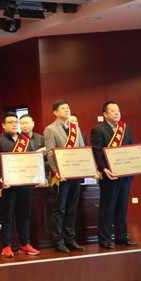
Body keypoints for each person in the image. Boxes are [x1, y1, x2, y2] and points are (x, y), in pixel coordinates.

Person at [90, 101, 141, 249]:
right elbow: (97, 152)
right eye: (113, 111)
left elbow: (132, 148)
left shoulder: (125, 128)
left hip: (125, 174)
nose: (117, 113)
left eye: (118, 110)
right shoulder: (98, 130)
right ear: (105, 114)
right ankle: (104, 239)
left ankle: (122, 238)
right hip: (110, 175)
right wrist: (104, 169)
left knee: (122, 208)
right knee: (107, 208)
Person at [0, 113, 44, 258]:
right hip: (7, 187)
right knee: (6, 217)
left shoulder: (24, 140)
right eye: (10, 122)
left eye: (16, 122)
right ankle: (6, 246)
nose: (14, 124)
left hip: (24, 185)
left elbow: (31, 159)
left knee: (24, 216)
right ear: (3, 125)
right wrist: (2, 177)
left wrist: (37, 176)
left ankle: (25, 244)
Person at [44, 100, 91, 254]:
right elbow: (50, 152)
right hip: (61, 176)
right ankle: (58, 240)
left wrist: (86, 168)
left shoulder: (75, 128)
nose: (67, 110)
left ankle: (70, 239)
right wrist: (56, 170)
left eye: (68, 108)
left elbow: (82, 149)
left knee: (72, 209)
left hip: (75, 174)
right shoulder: (50, 129)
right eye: (63, 108)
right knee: (59, 209)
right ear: (55, 112)